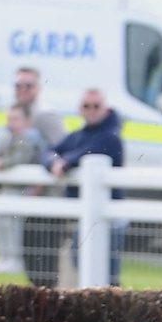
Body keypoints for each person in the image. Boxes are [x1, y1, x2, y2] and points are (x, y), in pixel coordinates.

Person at [45, 89, 126, 284]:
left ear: (105, 109)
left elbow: (91, 152)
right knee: (86, 263)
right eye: (86, 106)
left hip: (108, 216)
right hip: (89, 214)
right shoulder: (78, 135)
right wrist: (54, 162)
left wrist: (64, 161)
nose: (91, 111)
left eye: (96, 106)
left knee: (106, 272)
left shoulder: (111, 136)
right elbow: (50, 152)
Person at [0, 104, 56, 287]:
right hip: (9, 188)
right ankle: (4, 256)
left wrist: (0, 163)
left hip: (22, 190)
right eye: (9, 118)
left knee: (14, 225)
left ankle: (13, 258)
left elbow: (20, 158)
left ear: (26, 121)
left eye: (16, 119)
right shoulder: (7, 137)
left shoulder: (29, 138)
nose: (11, 123)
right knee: (1, 222)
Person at [12, 66, 68, 149]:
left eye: (28, 86)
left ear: (39, 88)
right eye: (18, 86)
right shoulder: (15, 110)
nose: (22, 90)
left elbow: (60, 147)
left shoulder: (46, 114)